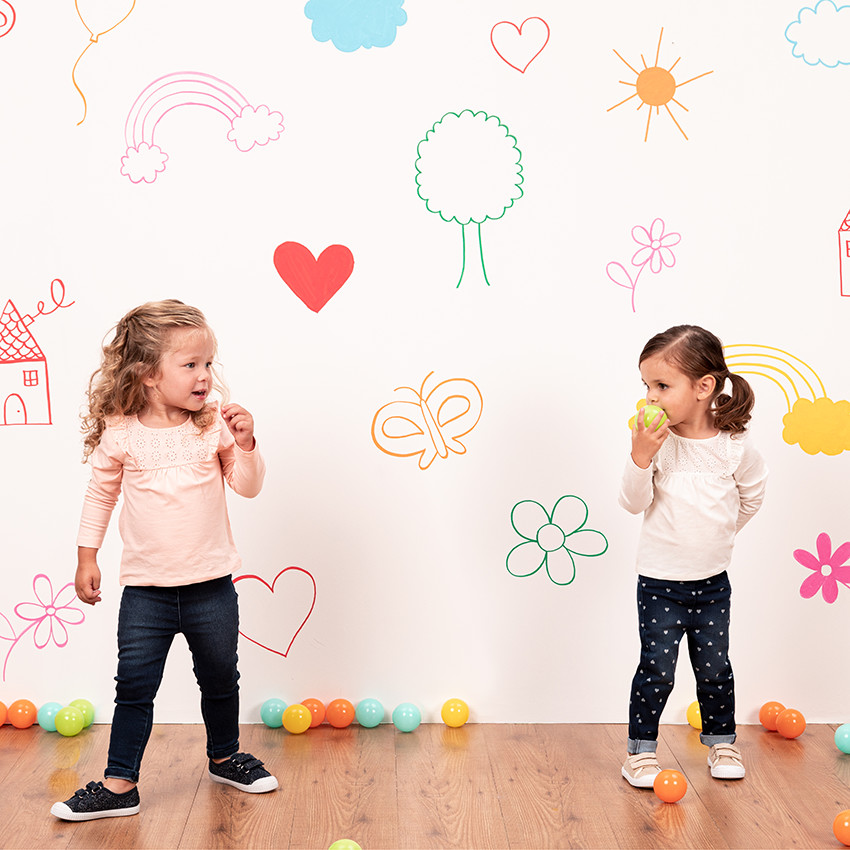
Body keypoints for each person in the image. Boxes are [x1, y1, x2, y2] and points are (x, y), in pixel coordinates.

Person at [51, 300, 277, 822]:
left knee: (220, 678)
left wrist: (246, 444)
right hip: (146, 593)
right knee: (133, 687)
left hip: (211, 587)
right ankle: (119, 784)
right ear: (148, 374)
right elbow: (100, 495)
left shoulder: (213, 424)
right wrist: (86, 557)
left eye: (208, 363)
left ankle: (225, 758)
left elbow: (247, 487)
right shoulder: (121, 432)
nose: (205, 376)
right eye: (190, 364)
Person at [618, 324, 767, 788]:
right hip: (659, 583)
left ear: (703, 388)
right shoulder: (655, 441)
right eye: (646, 385)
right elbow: (632, 502)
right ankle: (640, 752)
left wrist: (717, 536)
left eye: (662, 385)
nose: (651, 395)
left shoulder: (734, 447)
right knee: (657, 671)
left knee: (715, 669)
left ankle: (722, 741)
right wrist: (640, 456)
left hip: (712, 583)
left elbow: (751, 498)